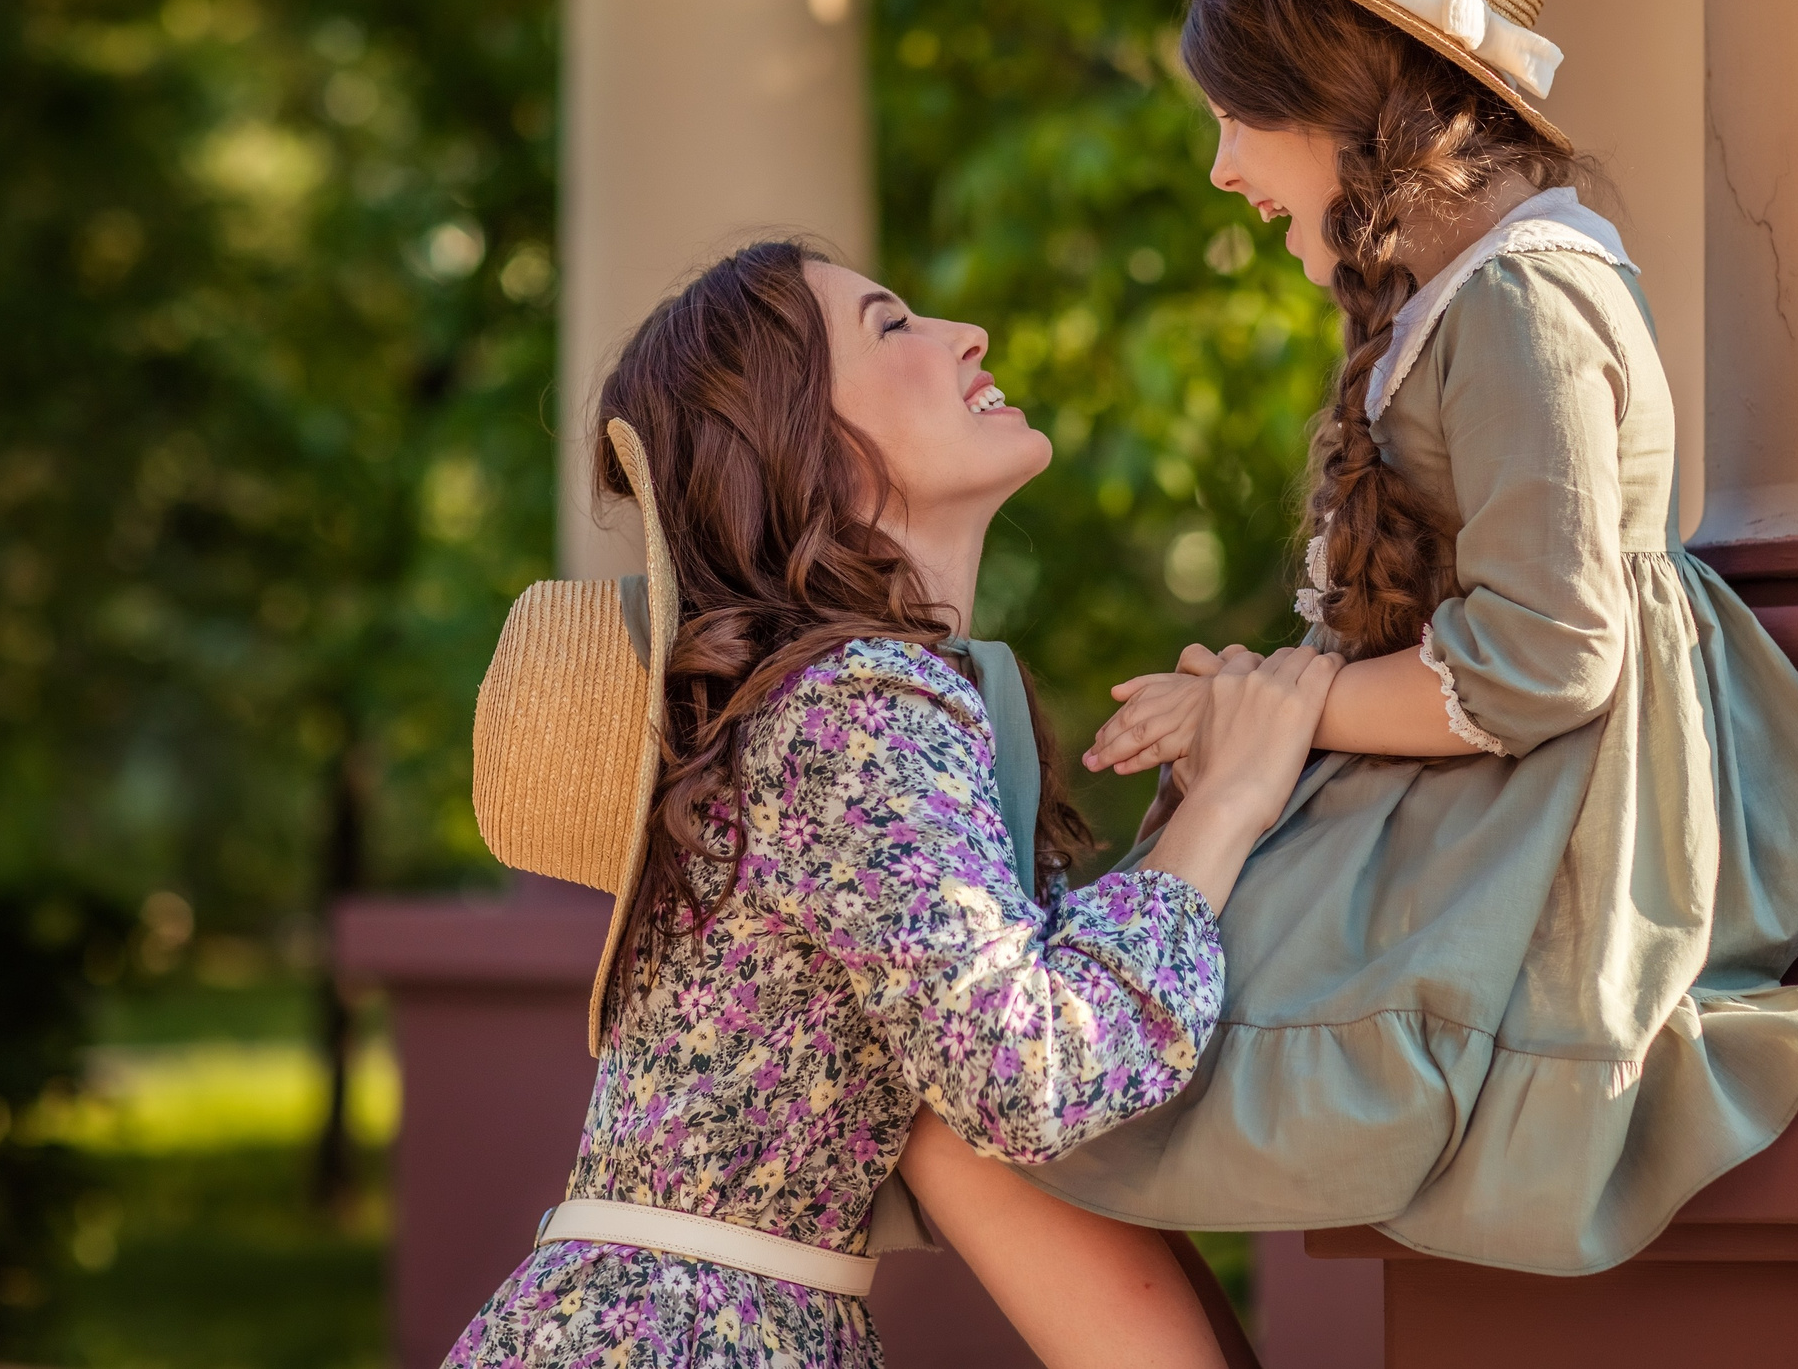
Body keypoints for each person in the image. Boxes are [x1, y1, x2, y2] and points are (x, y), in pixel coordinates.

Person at [1044, 0, 1798, 1276]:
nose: (1220, 163)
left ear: (1346, 104)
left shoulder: (1524, 300)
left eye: (1239, 115)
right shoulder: (1469, 300)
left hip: (1553, 816)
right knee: (1085, 1044)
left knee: (1101, 1063)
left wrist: (1269, 717)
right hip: (1489, 784)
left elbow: (1547, 658)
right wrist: (1249, 694)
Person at [445, 239, 1332, 1367]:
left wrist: (1182, 820)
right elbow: (1028, 1075)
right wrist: (1234, 805)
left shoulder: (848, 702)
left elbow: (1019, 1012)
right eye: (889, 325)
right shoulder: (858, 699)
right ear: (805, 445)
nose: (966, 335)